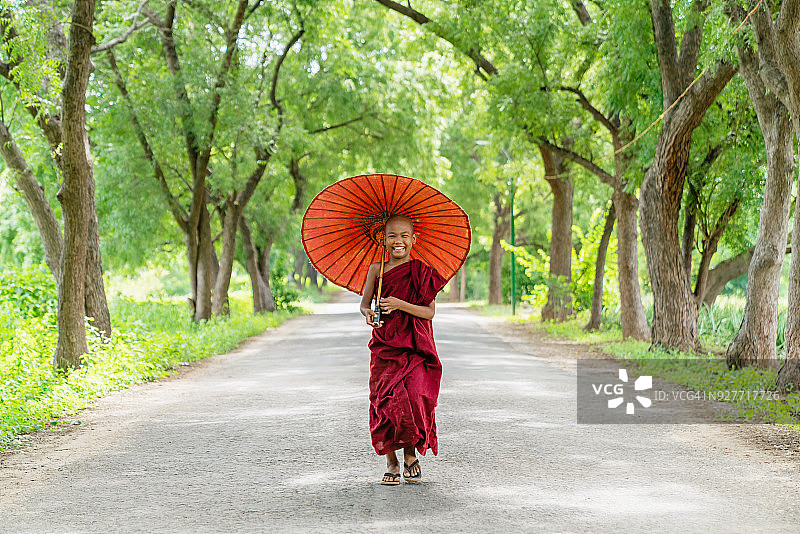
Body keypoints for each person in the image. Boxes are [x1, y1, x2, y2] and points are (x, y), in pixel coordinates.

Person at [359, 215, 447, 486]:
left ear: (414, 239)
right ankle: (392, 462)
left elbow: (428, 312)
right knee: (386, 401)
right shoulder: (377, 270)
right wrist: (369, 314)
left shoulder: (422, 272)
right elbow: (364, 305)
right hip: (385, 345)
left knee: (415, 395)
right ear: (382, 240)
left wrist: (399, 304)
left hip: (415, 345)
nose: (398, 241)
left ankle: (411, 455)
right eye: (392, 236)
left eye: (404, 235)